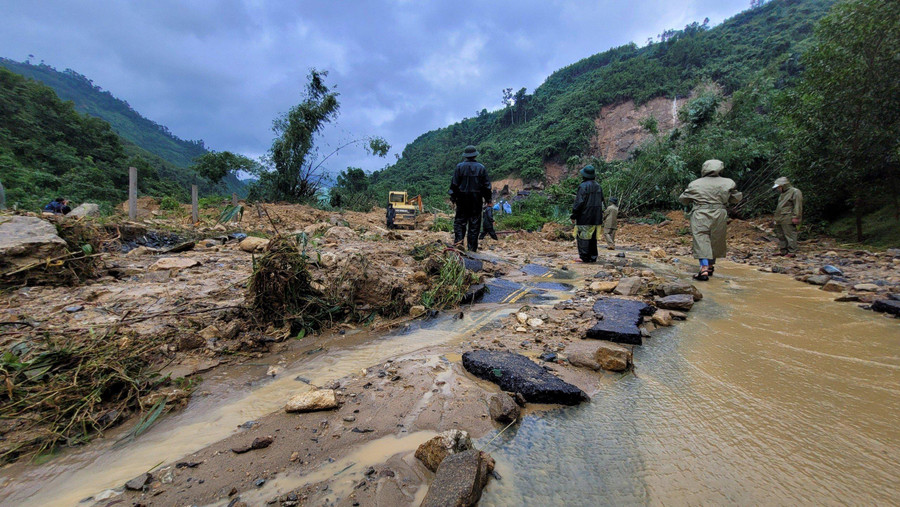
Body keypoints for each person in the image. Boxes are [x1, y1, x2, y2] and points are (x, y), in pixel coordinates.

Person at [678, 159, 742, 281]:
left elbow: (684, 199)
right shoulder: (728, 182)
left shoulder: (695, 183)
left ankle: (704, 269)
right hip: (719, 213)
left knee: (701, 239)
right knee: (716, 239)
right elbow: (736, 198)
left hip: (700, 213)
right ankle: (711, 267)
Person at [449, 145, 492, 252]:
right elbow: (487, 187)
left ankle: (459, 243)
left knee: (460, 222)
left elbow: (454, 184)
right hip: (476, 201)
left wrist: (453, 198)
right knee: (474, 224)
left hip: (462, 200)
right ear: (475, 155)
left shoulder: (459, 167)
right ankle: (472, 249)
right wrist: (488, 200)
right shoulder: (481, 168)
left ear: (466, 156)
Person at [570, 165, 605, 263]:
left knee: (583, 237)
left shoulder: (583, 186)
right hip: (597, 217)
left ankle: (584, 257)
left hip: (585, 216)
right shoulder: (598, 186)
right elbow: (602, 200)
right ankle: (593, 257)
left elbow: (579, 202)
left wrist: (574, 214)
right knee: (593, 237)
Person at [772, 176, 803, 257]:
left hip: (788, 217)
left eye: (779, 187)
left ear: (783, 185)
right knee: (780, 235)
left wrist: (796, 217)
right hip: (780, 217)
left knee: (790, 234)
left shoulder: (795, 192)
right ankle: (783, 251)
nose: (778, 189)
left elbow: (798, 205)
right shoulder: (783, 194)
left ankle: (792, 252)